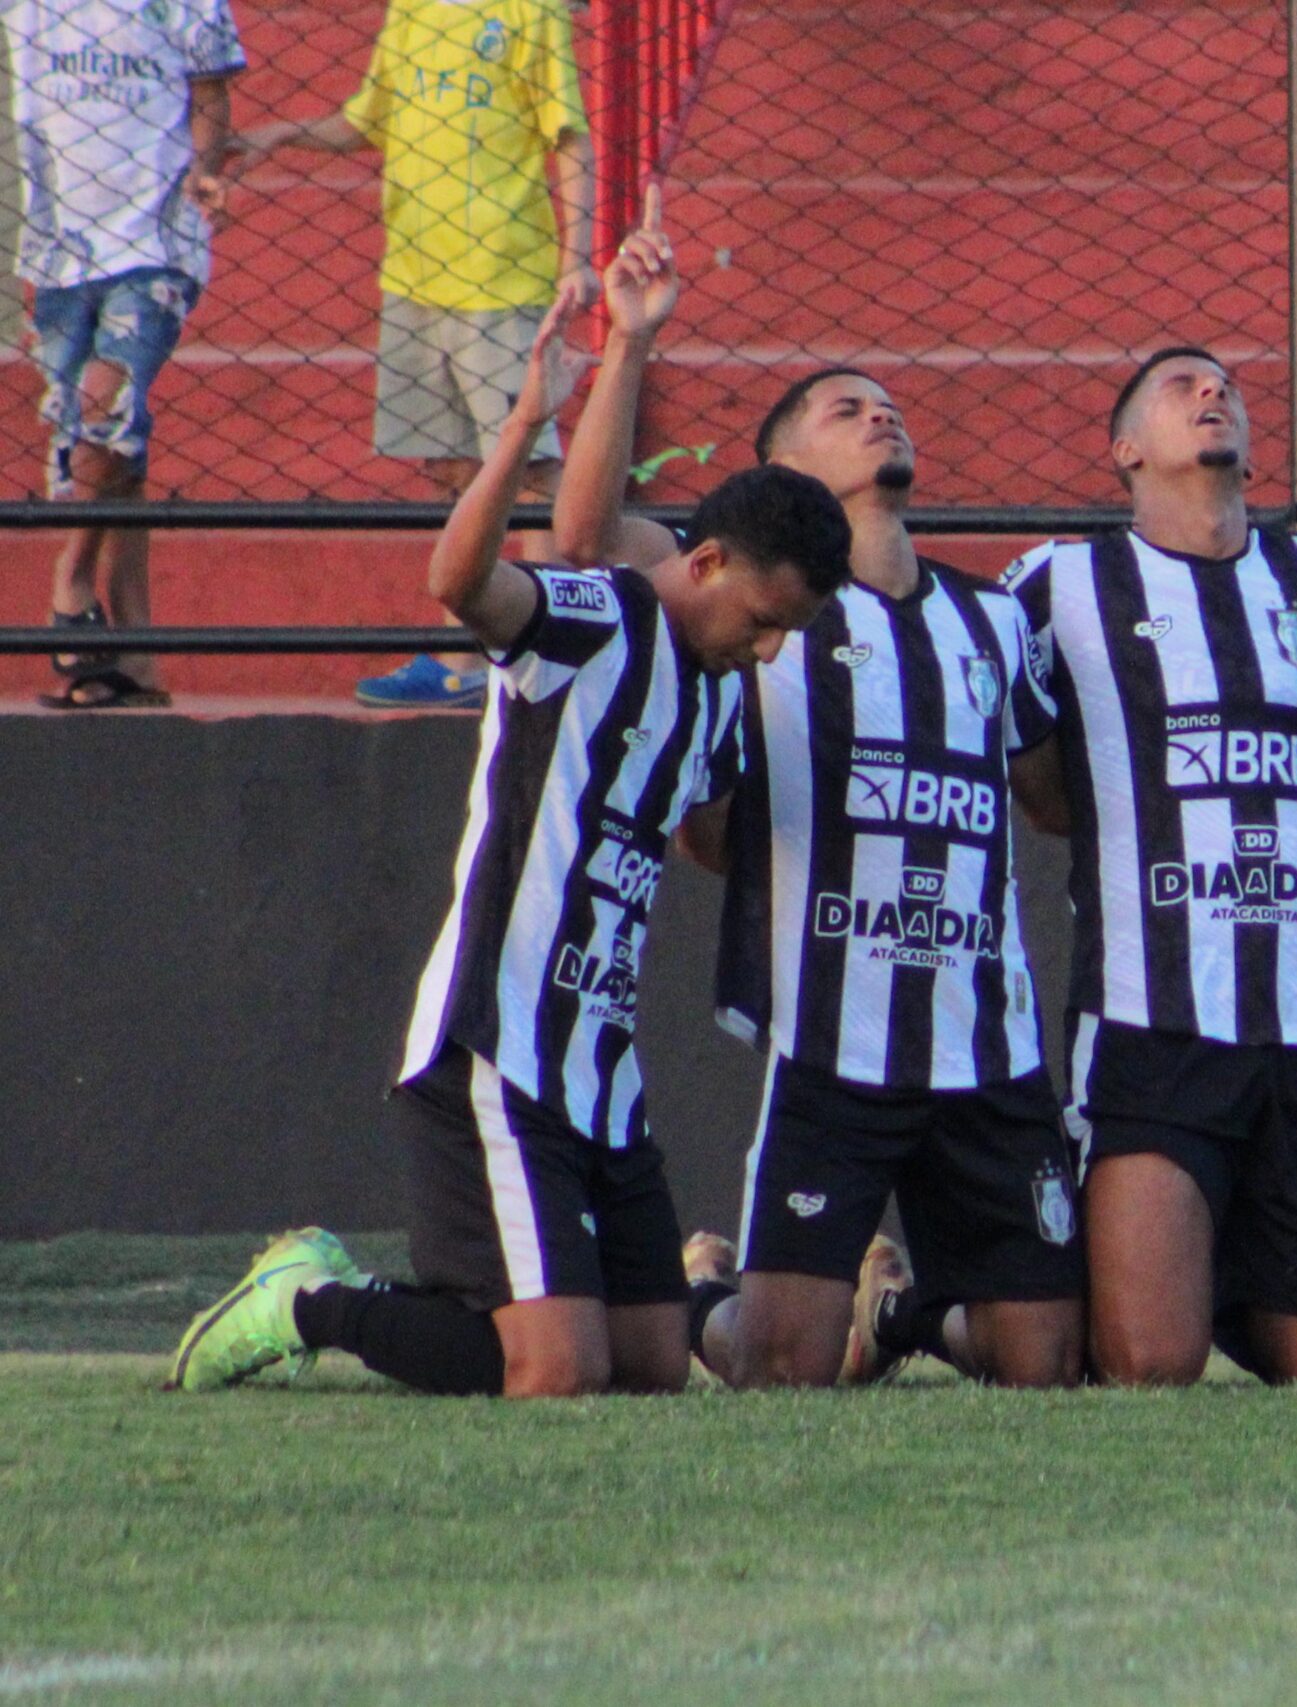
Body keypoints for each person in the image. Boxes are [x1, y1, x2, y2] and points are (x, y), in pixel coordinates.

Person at [168, 303, 850, 1399]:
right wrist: (528, 419)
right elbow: (460, 583)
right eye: (761, 619)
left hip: (601, 1069)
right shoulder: (597, 622)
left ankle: (654, 1286)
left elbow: (710, 842)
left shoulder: (723, 699)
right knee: (554, 1375)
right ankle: (304, 1298)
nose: (767, 649)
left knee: (647, 1370)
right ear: (708, 561)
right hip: (496, 1047)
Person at [550, 191, 1085, 1390]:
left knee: (1048, 1362)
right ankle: (703, 1291)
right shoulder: (752, 604)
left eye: (888, 406)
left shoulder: (996, 621)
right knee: (781, 1368)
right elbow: (582, 543)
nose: (879, 414)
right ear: (782, 469)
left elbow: (1049, 800)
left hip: (984, 1044)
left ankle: (891, 1317)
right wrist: (629, 343)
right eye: (845, 409)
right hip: (834, 1041)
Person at [1002, 347, 1297, 1386]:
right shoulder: (1058, 582)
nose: (1213, 392)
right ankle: (929, 1313)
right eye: (1180, 387)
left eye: (1226, 386)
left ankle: (1206, 1265)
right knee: (1150, 1367)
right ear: (1125, 450)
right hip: (1152, 1022)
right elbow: (1034, 782)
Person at [231, 0, 597, 709]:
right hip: (415, 277)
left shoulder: (533, 13)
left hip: (500, 273)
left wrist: (576, 258)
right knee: (453, 469)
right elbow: (367, 122)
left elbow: (569, 137)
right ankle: (464, 649)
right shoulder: (414, 11)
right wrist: (275, 136)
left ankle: (547, 647)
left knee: (528, 470)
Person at [8, 0, 243, 708]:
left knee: (101, 406)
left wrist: (205, 168)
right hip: (58, 246)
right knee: (114, 446)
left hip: (156, 242)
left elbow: (211, 92)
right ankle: (136, 660)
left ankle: (70, 576)